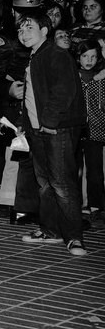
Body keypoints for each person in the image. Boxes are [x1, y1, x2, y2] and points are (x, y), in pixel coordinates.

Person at [17, 12, 87, 256]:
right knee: (45, 183)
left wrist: (49, 122)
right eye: (20, 30)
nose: (23, 34)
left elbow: (64, 91)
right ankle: (50, 231)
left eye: (29, 28)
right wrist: (25, 125)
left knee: (62, 183)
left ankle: (74, 237)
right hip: (38, 130)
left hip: (56, 129)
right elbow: (31, 97)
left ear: (45, 30)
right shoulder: (35, 57)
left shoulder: (56, 54)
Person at [0, 0, 47, 223]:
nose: (25, 21)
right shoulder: (4, 40)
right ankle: (12, 206)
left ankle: (35, 208)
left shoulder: (46, 39)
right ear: (12, 12)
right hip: (14, 111)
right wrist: (9, 89)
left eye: (31, 15)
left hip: (41, 109)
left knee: (39, 162)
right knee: (17, 158)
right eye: (21, 14)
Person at [76, 40, 105, 227]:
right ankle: (79, 206)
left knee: (95, 171)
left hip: (96, 128)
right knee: (75, 170)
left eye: (93, 56)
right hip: (75, 129)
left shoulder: (101, 77)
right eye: (85, 56)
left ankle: (97, 207)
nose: (89, 60)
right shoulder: (73, 76)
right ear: (78, 58)